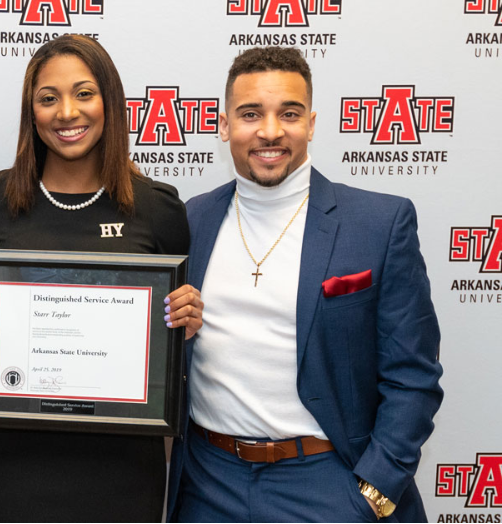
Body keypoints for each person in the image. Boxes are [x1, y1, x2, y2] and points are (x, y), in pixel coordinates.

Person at [165, 46, 444, 522]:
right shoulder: (189, 219)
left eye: (288, 114)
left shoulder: (379, 223)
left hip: (327, 482)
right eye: (251, 114)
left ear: (311, 124)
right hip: (208, 483)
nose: (270, 131)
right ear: (224, 123)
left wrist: (374, 491)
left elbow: (414, 375)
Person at [0, 35, 203, 522]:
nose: (67, 112)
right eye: (48, 98)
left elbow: (167, 347)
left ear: (109, 101)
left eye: (84, 93)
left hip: (124, 466)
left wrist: (182, 321)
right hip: (14, 462)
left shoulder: (159, 208)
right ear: (32, 112)